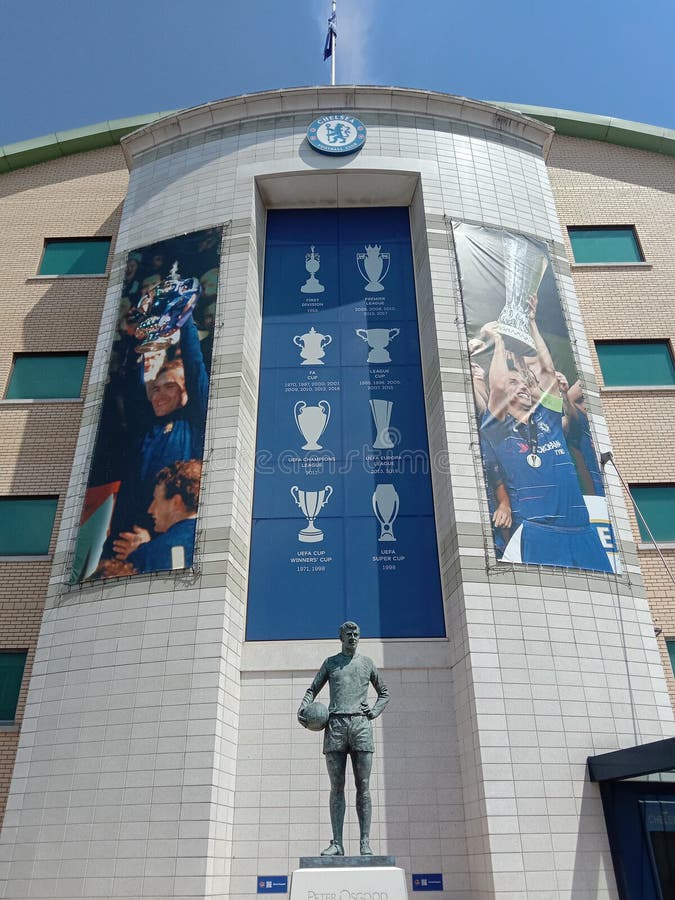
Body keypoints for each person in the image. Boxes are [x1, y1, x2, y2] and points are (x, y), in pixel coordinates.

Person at [479, 297, 612, 572]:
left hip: (582, 529)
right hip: (537, 531)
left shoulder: (548, 419)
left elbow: (549, 375)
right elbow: (500, 387)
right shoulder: (498, 429)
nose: (522, 386)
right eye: (514, 382)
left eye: (524, 383)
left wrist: (531, 322)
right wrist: (499, 341)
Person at [298, 622, 389, 857]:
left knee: (364, 786)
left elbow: (384, 693)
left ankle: (365, 842)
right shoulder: (331, 663)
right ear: (340, 636)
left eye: (356, 634)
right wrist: (303, 708)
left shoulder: (367, 663)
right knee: (337, 786)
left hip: (360, 725)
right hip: (335, 725)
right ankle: (337, 842)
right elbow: (312, 689)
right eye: (348, 633)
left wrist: (375, 711)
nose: (352, 636)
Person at [113, 460, 201, 573]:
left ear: (176, 502)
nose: (150, 510)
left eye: (156, 500)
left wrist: (142, 554)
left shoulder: (147, 556)